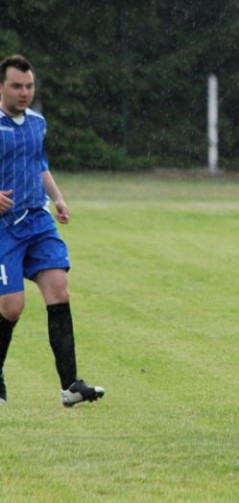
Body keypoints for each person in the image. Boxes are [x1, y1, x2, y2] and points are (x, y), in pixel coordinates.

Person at [0, 54, 104, 407]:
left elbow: (39, 165)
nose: (24, 92)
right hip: (4, 229)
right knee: (12, 307)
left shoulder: (37, 123)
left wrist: (58, 198)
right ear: (2, 87)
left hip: (37, 221)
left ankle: (70, 386)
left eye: (28, 86)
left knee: (59, 290)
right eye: (16, 86)